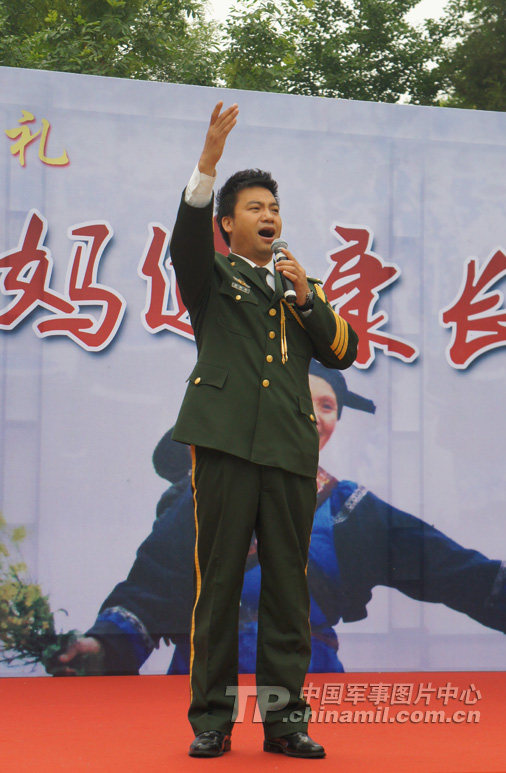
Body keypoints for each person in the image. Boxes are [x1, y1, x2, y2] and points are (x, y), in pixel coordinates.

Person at [52, 364, 506, 680]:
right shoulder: (205, 496)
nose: (314, 416)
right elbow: (150, 589)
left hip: (309, 687)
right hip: (206, 684)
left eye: (327, 406)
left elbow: (450, 569)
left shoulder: (349, 508)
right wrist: (103, 647)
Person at [166, 100, 358, 758]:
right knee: (220, 584)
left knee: (286, 590)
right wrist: (208, 163)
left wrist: (305, 296)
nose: (269, 215)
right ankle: (213, 721)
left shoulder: (301, 287)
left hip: (288, 451)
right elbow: (185, 240)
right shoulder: (212, 275)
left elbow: (343, 350)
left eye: (274, 207)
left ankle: (284, 721)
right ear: (228, 223)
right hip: (224, 445)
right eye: (254, 207)